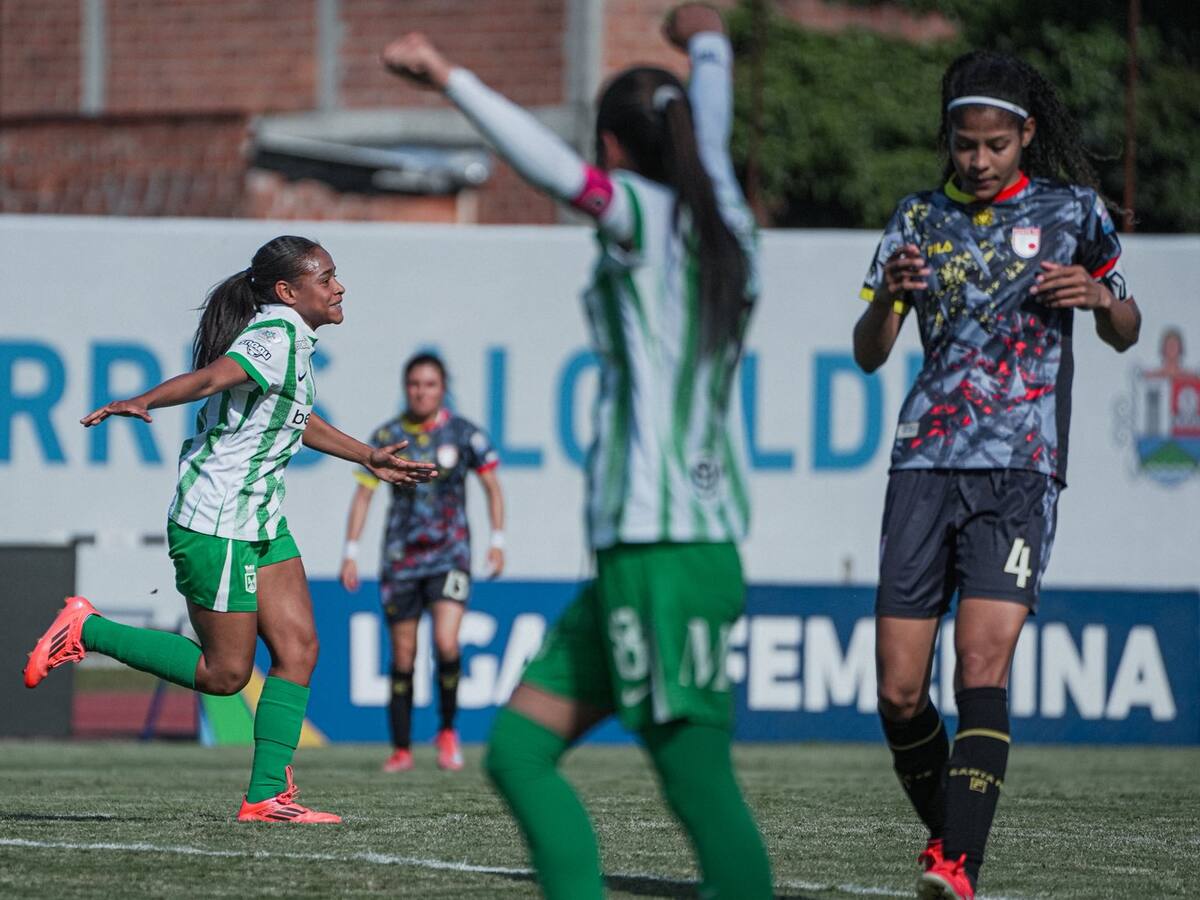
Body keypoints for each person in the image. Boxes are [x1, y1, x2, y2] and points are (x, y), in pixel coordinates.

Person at [381, 4, 771, 898]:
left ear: (613, 146)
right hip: (644, 558)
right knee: (519, 752)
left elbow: (561, 173)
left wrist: (449, 78)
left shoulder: (640, 213)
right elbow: (708, 143)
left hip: (664, 551)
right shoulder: (726, 224)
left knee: (696, 781)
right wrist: (708, 43)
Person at [852, 51, 1141, 900]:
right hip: (923, 463)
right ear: (948, 137)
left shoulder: (1074, 213)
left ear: (1026, 136)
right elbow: (871, 354)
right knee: (901, 694)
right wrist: (884, 303)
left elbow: (1127, 326)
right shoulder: (914, 219)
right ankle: (954, 833)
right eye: (964, 144)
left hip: (1019, 467)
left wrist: (1098, 297)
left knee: (982, 665)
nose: (977, 161)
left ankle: (956, 864)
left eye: (994, 146)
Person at [23, 235, 436, 823]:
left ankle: (268, 795)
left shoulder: (293, 340)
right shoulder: (274, 336)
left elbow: (294, 417)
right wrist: (143, 399)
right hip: (217, 522)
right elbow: (216, 376)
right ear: (289, 292)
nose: (338, 286)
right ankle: (87, 629)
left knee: (299, 649)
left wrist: (367, 456)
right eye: (326, 278)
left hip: (260, 514)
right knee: (225, 674)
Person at [339, 353, 504, 772]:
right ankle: (401, 749)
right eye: (414, 384)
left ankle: (448, 732)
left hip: (451, 556)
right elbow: (364, 496)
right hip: (400, 560)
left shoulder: (464, 434)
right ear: (405, 386)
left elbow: (491, 487)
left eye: (429, 384)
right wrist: (351, 552)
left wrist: (498, 541)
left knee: (447, 643)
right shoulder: (388, 435)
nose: (421, 391)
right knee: (403, 656)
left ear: (443, 387)